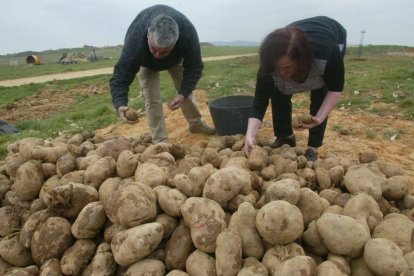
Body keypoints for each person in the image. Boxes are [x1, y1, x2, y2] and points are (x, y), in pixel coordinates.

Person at [243, 16, 347, 161]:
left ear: (301, 59)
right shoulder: (269, 64)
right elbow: (259, 102)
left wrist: (319, 118)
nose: (281, 72)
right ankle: (285, 137)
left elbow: (335, 89)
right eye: (277, 68)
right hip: (295, 40)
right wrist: (250, 134)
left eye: (287, 67)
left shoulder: (328, 53)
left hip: (333, 33)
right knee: (278, 90)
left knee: (320, 90)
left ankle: (313, 147)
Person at [110, 5, 215, 143]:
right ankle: (160, 140)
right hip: (146, 63)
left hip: (176, 60)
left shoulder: (187, 33)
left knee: (187, 93)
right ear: (148, 35)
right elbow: (121, 76)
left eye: (164, 51)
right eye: (154, 49)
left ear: (177, 41)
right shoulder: (135, 40)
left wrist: (182, 93)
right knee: (152, 99)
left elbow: (194, 67)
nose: (158, 55)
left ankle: (196, 124)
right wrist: (120, 103)